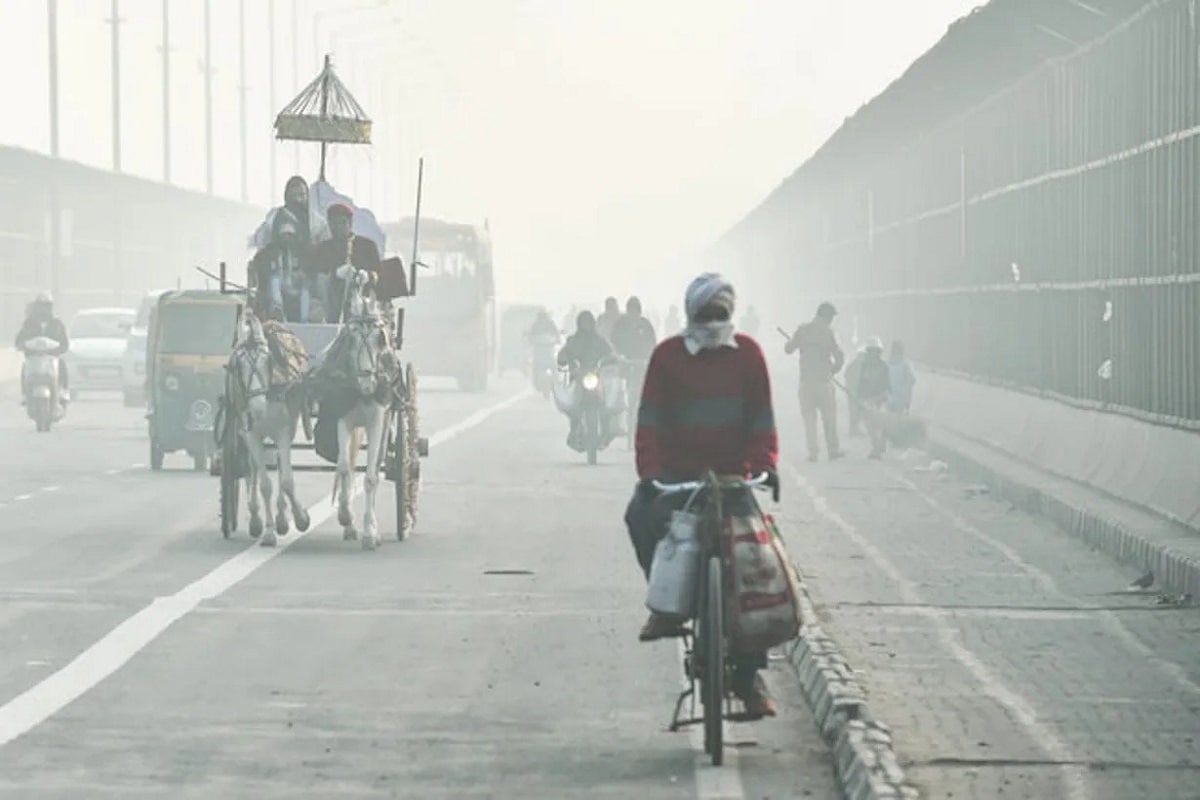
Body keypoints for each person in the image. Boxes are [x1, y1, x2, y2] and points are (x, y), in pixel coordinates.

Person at [624, 273, 780, 719]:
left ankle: (749, 679)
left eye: (721, 315)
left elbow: (762, 419)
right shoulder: (667, 358)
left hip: (733, 478)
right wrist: (650, 475)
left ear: (731, 316)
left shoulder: (749, 356)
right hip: (679, 478)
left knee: (757, 565)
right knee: (638, 516)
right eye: (706, 315)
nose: (713, 323)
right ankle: (668, 607)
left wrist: (766, 465)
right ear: (691, 315)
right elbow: (649, 422)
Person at [785, 302, 845, 462]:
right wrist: (832, 370)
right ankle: (833, 450)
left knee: (809, 419)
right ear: (827, 317)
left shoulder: (802, 329)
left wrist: (794, 343)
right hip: (824, 382)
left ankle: (813, 452)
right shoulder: (829, 332)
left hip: (806, 382)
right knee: (829, 418)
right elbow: (839, 357)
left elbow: (788, 349)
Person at [314, 202, 382, 323]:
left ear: (350, 224)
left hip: (365, 306)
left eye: (342, 223)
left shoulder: (367, 246)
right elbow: (318, 278)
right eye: (333, 224)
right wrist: (336, 274)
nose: (338, 227)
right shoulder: (323, 249)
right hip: (333, 307)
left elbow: (379, 274)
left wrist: (367, 276)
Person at [556, 311, 614, 447]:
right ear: (579, 324)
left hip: (596, 376)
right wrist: (563, 359)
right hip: (578, 377)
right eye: (584, 322)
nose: (586, 325)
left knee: (606, 404)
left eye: (588, 322)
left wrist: (612, 358)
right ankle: (574, 429)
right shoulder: (573, 340)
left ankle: (606, 430)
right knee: (573, 406)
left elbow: (610, 352)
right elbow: (563, 354)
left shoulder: (599, 340)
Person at [14, 293, 70, 403]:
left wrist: (59, 349)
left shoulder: (57, 323)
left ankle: (63, 390)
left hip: (52, 358)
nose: (43, 309)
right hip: (33, 358)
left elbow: (64, 342)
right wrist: (22, 346)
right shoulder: (29, 323)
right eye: (41, 306)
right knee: (24, 367)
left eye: (46, 306)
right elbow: (19, 339)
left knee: (62, 364)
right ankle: (25, 393)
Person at [856, 337, 891, 459]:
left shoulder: (883, 366)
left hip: (880, 399)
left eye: (874, 351)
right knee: (870, 426)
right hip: (867, 399)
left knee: (879, 426)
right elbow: (861, 383)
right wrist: (860, 398)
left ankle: (878, 448)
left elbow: (887, 385)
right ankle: (876, 447)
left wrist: (881, 398)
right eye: (870, 351)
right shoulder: (864, 365)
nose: (872, 354)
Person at [843, 342, 869, 438]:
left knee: (857, 411)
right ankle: (853, 430)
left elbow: (846, 375)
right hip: (855, 392)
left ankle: (854, 429)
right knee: (855, 411)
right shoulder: (858, 364)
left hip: (854, 391)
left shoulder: (855, 363)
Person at [887, 340, 916, 414]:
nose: (897, 351)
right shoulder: (887, 363)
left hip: (900, 398)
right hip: (888, 396)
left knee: (896, 415)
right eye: (895, 348)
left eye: (899, 349)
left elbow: (911, 381)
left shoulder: (906, 364)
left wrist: (907, 402)